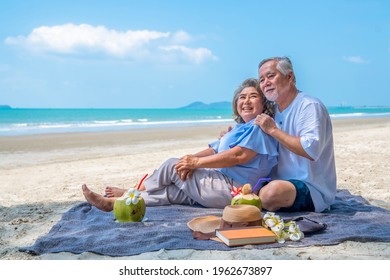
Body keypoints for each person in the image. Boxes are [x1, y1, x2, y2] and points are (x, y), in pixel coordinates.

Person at [82, 78, 278, 210]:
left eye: (253, 96)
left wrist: (193, 163)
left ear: (264, 103)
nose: (246, 101)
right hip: (218, 184)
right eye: (242, 97)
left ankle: (132, 191)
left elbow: (238, 156)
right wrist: (189, 159)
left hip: (235, 190)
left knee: (171, 165)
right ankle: (116, 203)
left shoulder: (260, 126)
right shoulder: (239, 128)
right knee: (171, 192)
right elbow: (213, 149)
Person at [253, 56, 337, 213]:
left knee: (270, 194)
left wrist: (273, 130)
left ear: (289, 77)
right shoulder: (273, 112)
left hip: (311, 187)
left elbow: (310, 149)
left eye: (271, 76)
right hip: (279, 181)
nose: (266, 83)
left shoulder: (309, 106)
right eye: (262, 80)